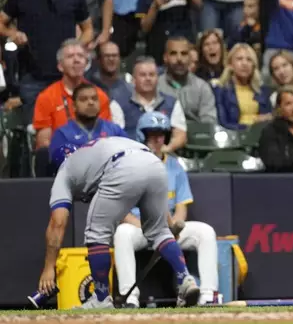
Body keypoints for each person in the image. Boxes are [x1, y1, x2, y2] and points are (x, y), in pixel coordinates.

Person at [37, 136, 201, 309]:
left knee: (96, 233)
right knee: (159, 232)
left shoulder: (65, 170)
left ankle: (101, 298)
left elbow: (58, 223)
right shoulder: (91, 154)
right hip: (154, 164)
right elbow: (138, 170)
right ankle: (185, 279)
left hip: (122, 166)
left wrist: (49, 268)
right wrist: (166, 224)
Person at [114, 112, 220, 308]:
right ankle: (130, 297)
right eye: (152, 134)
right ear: (141, 135)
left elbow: (181, 208)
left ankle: (207, 295)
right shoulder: (129, 167)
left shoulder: (174, 167)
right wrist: (149, 229)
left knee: (205, 231)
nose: (157, 139)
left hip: (168, 228)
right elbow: (123, 213)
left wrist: (174, 230)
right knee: (122, 233)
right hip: (140, 227)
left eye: (161, 134)